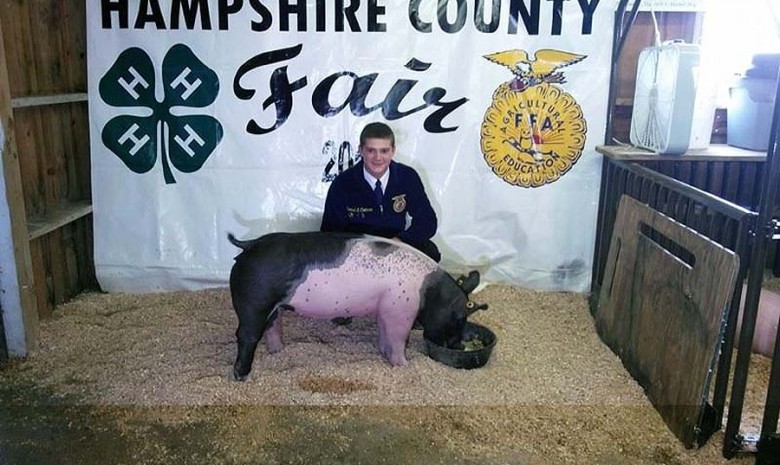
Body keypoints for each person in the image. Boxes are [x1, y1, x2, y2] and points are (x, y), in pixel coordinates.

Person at [321, 122, 441, 262]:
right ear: (361, 150)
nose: (378, 158)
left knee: (430, 251)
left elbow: (428, 221)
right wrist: (359, 251)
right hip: (357, 253)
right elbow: (329, 234)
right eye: (371, 150)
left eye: (384, 151)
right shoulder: (342, 184)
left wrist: (400, 241)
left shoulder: (407, 177)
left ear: (393, 151)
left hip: (396, 246)